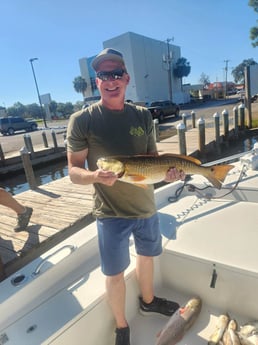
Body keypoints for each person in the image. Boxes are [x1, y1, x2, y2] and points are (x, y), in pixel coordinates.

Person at [66, 48, 185, 345]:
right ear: (97, 82)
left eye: (116, 74)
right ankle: (121, 326)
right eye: (104, 75)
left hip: (145, 206)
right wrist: (95, 176)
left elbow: (153, 159)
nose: (111, 80)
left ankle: (148, 301)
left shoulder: (143, 116)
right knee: (115, 272)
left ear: (126, 78)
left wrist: (170, 173)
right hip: (111, 213)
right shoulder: (82, 120)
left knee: (147, 258)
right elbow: (73, 171)